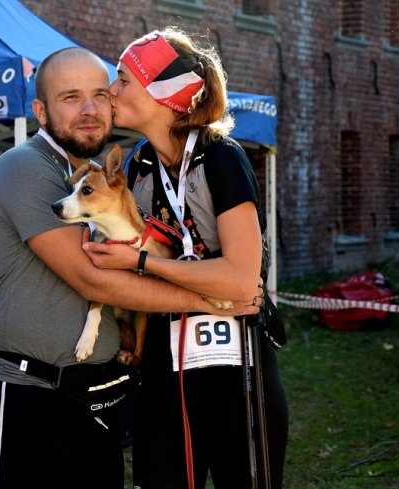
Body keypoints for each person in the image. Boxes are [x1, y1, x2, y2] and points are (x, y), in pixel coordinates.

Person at [0, 47, 263, 489]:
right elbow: (93, 278)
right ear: (40, 110)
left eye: (100, 93)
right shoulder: (25, 168)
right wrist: (216, 301)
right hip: (33, 393)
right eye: (70, 97)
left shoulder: (122, 175)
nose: (91, 109)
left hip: (103, 396)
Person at [82, 29, 289, 489]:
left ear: (163, 94)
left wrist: (142, 266)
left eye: (122, 80)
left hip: (240, 370)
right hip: (162, 367)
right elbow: (113, 269)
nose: (111, 92)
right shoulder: (135, 167)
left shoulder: (221, 159)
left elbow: (240, 281)